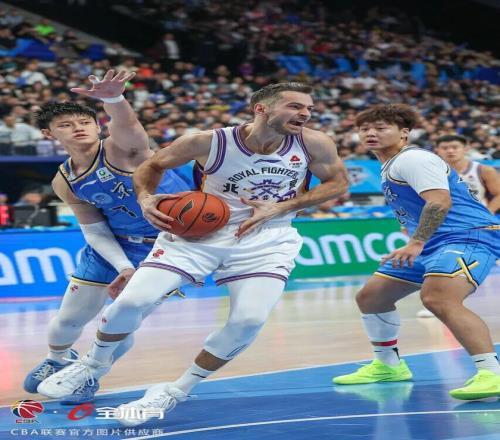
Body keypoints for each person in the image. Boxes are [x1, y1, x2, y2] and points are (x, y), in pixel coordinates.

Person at [37, 82, 349, 425]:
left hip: (267, 238)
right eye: (295, 106)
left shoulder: (314, 142)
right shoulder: (209, 141)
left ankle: (175, 390)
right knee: (131, 301)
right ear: (262, 109)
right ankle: (93, 363)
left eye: (309, 108)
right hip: (198, 234)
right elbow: (152, 165)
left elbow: (338, 183)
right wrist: (145, 198)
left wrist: (280, 207)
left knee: (248, 321)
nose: (305, 114)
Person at [23, 69, 189, 403]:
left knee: (122, 319)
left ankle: (89, 374)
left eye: (85, 121)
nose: (78, 127)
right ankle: (57, 359)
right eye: (66, 125)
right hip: (112, 244)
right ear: (48, 133)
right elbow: (95, 229)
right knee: (70, 317)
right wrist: (123, 266)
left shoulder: (123, 149)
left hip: (165, 246)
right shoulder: (64, 180)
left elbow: (128, 125)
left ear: (97, 125)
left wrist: (114, 98)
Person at [331, 104, 500, 401]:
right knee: (372, 297)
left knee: (439, 298)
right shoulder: (390, 164)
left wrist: (416, 243)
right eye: (364, 129)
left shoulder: (413, 159)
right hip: (435, 239)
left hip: (467, 234)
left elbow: (439, 202)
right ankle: (388, 366)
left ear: (404, 133)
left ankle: (491, 373)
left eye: (380, 127)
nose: (370, 133)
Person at [416, 134, 500, 318]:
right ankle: (439, 301)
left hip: (481, 228)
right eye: (445, 147)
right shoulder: (431, 172)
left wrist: (487, 213)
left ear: (466, 148)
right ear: (437, 150)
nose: (450, 151)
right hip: (446, 226)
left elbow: (498, 194)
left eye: (454, 147)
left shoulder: (482, 170)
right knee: (437, 261)